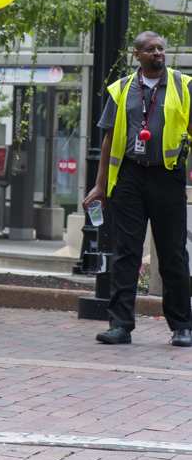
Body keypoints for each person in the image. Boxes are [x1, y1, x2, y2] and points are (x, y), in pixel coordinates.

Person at [83, 31, 192, 347]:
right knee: (126, 254)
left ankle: (182, 326)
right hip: (129, 178)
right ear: (137, 56)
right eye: (150, 49)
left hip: (168, 176)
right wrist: (100, 185)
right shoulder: (121, 90)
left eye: (161, 48)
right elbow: (107, 139)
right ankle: (120, 325)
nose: (158, 52)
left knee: (173, 254)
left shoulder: (184, 86)